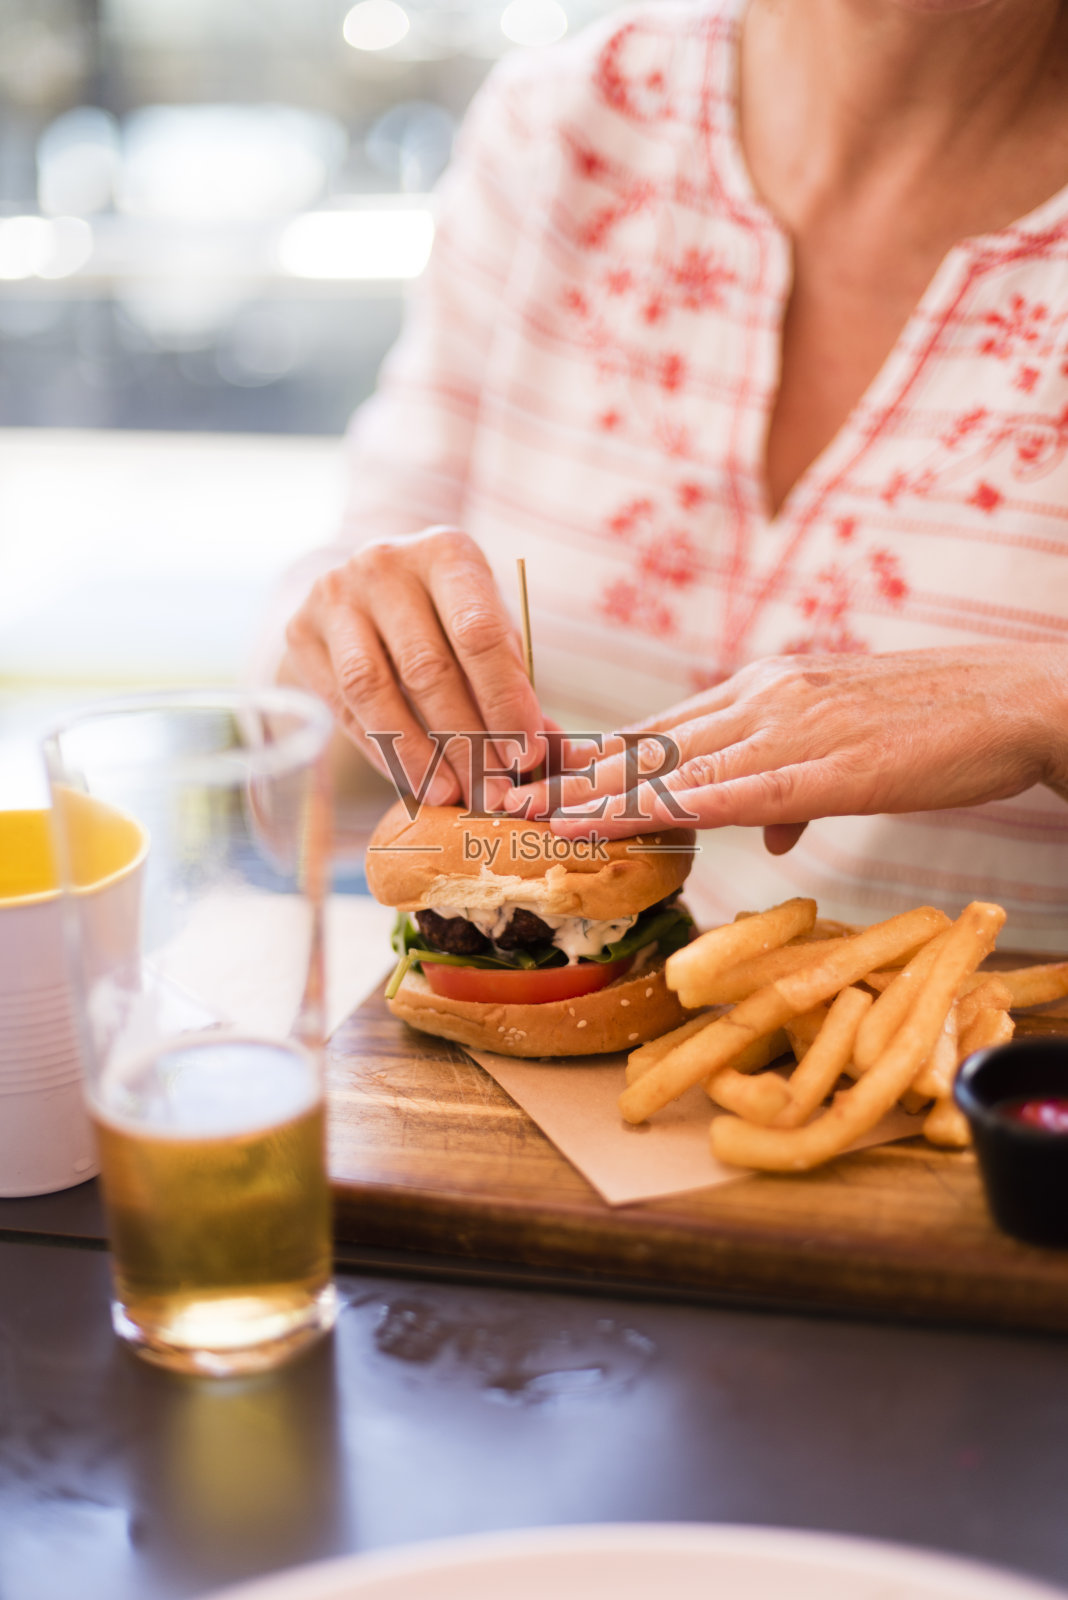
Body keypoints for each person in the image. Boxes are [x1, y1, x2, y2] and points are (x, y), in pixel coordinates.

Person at [279, 0, 1068, 942]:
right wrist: (352, 647)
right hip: (490, 1077)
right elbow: (305, 737)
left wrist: (1047, 703)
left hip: (995, 1082)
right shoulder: (557, 125)